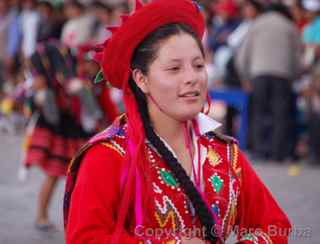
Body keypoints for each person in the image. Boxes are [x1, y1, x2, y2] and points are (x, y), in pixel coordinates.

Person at [64, 0, 291, 243]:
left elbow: (274, 226)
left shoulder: (225, 153)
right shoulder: (107, 156)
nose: (192, 78)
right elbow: (86, 237)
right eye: (174, 69)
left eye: (198, 65)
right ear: (141, 80)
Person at [23, 41, 98, 231]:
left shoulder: (77, 78)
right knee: (54, 173)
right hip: (59, 129)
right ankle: (41, 215)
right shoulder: (49, 83)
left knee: (82, 176)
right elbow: (33, 103)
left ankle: (82, 220)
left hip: (73, 127)